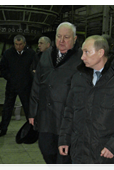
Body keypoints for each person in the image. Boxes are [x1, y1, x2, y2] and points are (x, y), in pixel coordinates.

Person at [58, 35, 114, 170]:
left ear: (100, 52)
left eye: (87, 52)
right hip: (79, 156)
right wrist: (64, 138)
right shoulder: (78, 78)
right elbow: (69, 111)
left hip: (106, 157)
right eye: (82, 52)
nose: (82, 57)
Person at [29, 22, 82, 170]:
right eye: (59, 36)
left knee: (64, 158)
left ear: (75, 38)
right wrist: (33, 111)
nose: (61, 40)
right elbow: (37, 84)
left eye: (66, 37)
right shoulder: (46, 55)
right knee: (46, 149)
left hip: (66, 117)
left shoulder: (81, 59)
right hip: (46, 115)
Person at [0, 34, 36, 137]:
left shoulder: (31, 53)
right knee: (7, 108)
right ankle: (2, 129)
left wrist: (30, 79)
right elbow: (2, 68)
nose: (18, 46)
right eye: (16, 44)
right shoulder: (8, 53)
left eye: (20, 44)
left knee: (28, 110)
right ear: (13, 44)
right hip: (11, 86)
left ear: (25, 43)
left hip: (26, 86)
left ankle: (32, 130)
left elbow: (36, 68)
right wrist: (10, 77)